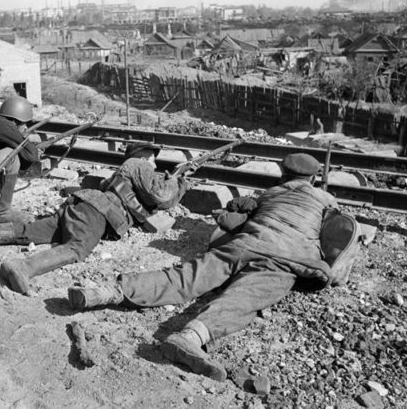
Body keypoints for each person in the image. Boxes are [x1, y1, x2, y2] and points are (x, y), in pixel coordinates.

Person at [67, 153, 359, 381]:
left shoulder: (271, 194)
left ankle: (105, 292)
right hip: (284, 259)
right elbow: (341, 235)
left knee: (186, 277)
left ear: (283, 174)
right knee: (245, 297)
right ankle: (191, 337)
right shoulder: (324, 198)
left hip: (243, 244)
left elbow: (242, 208)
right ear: (312, 178)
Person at [0, 142, 189, 295]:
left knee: (27, 231)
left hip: (81, 208)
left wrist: (179, 182)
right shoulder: (137, 164)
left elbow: (161, 199)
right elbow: (161, 194)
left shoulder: (131, 173)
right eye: (152, 159)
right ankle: (23, 267)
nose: (155, 165)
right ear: (142, 156)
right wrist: (176, 183)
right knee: (76, 249)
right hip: (95, 214)